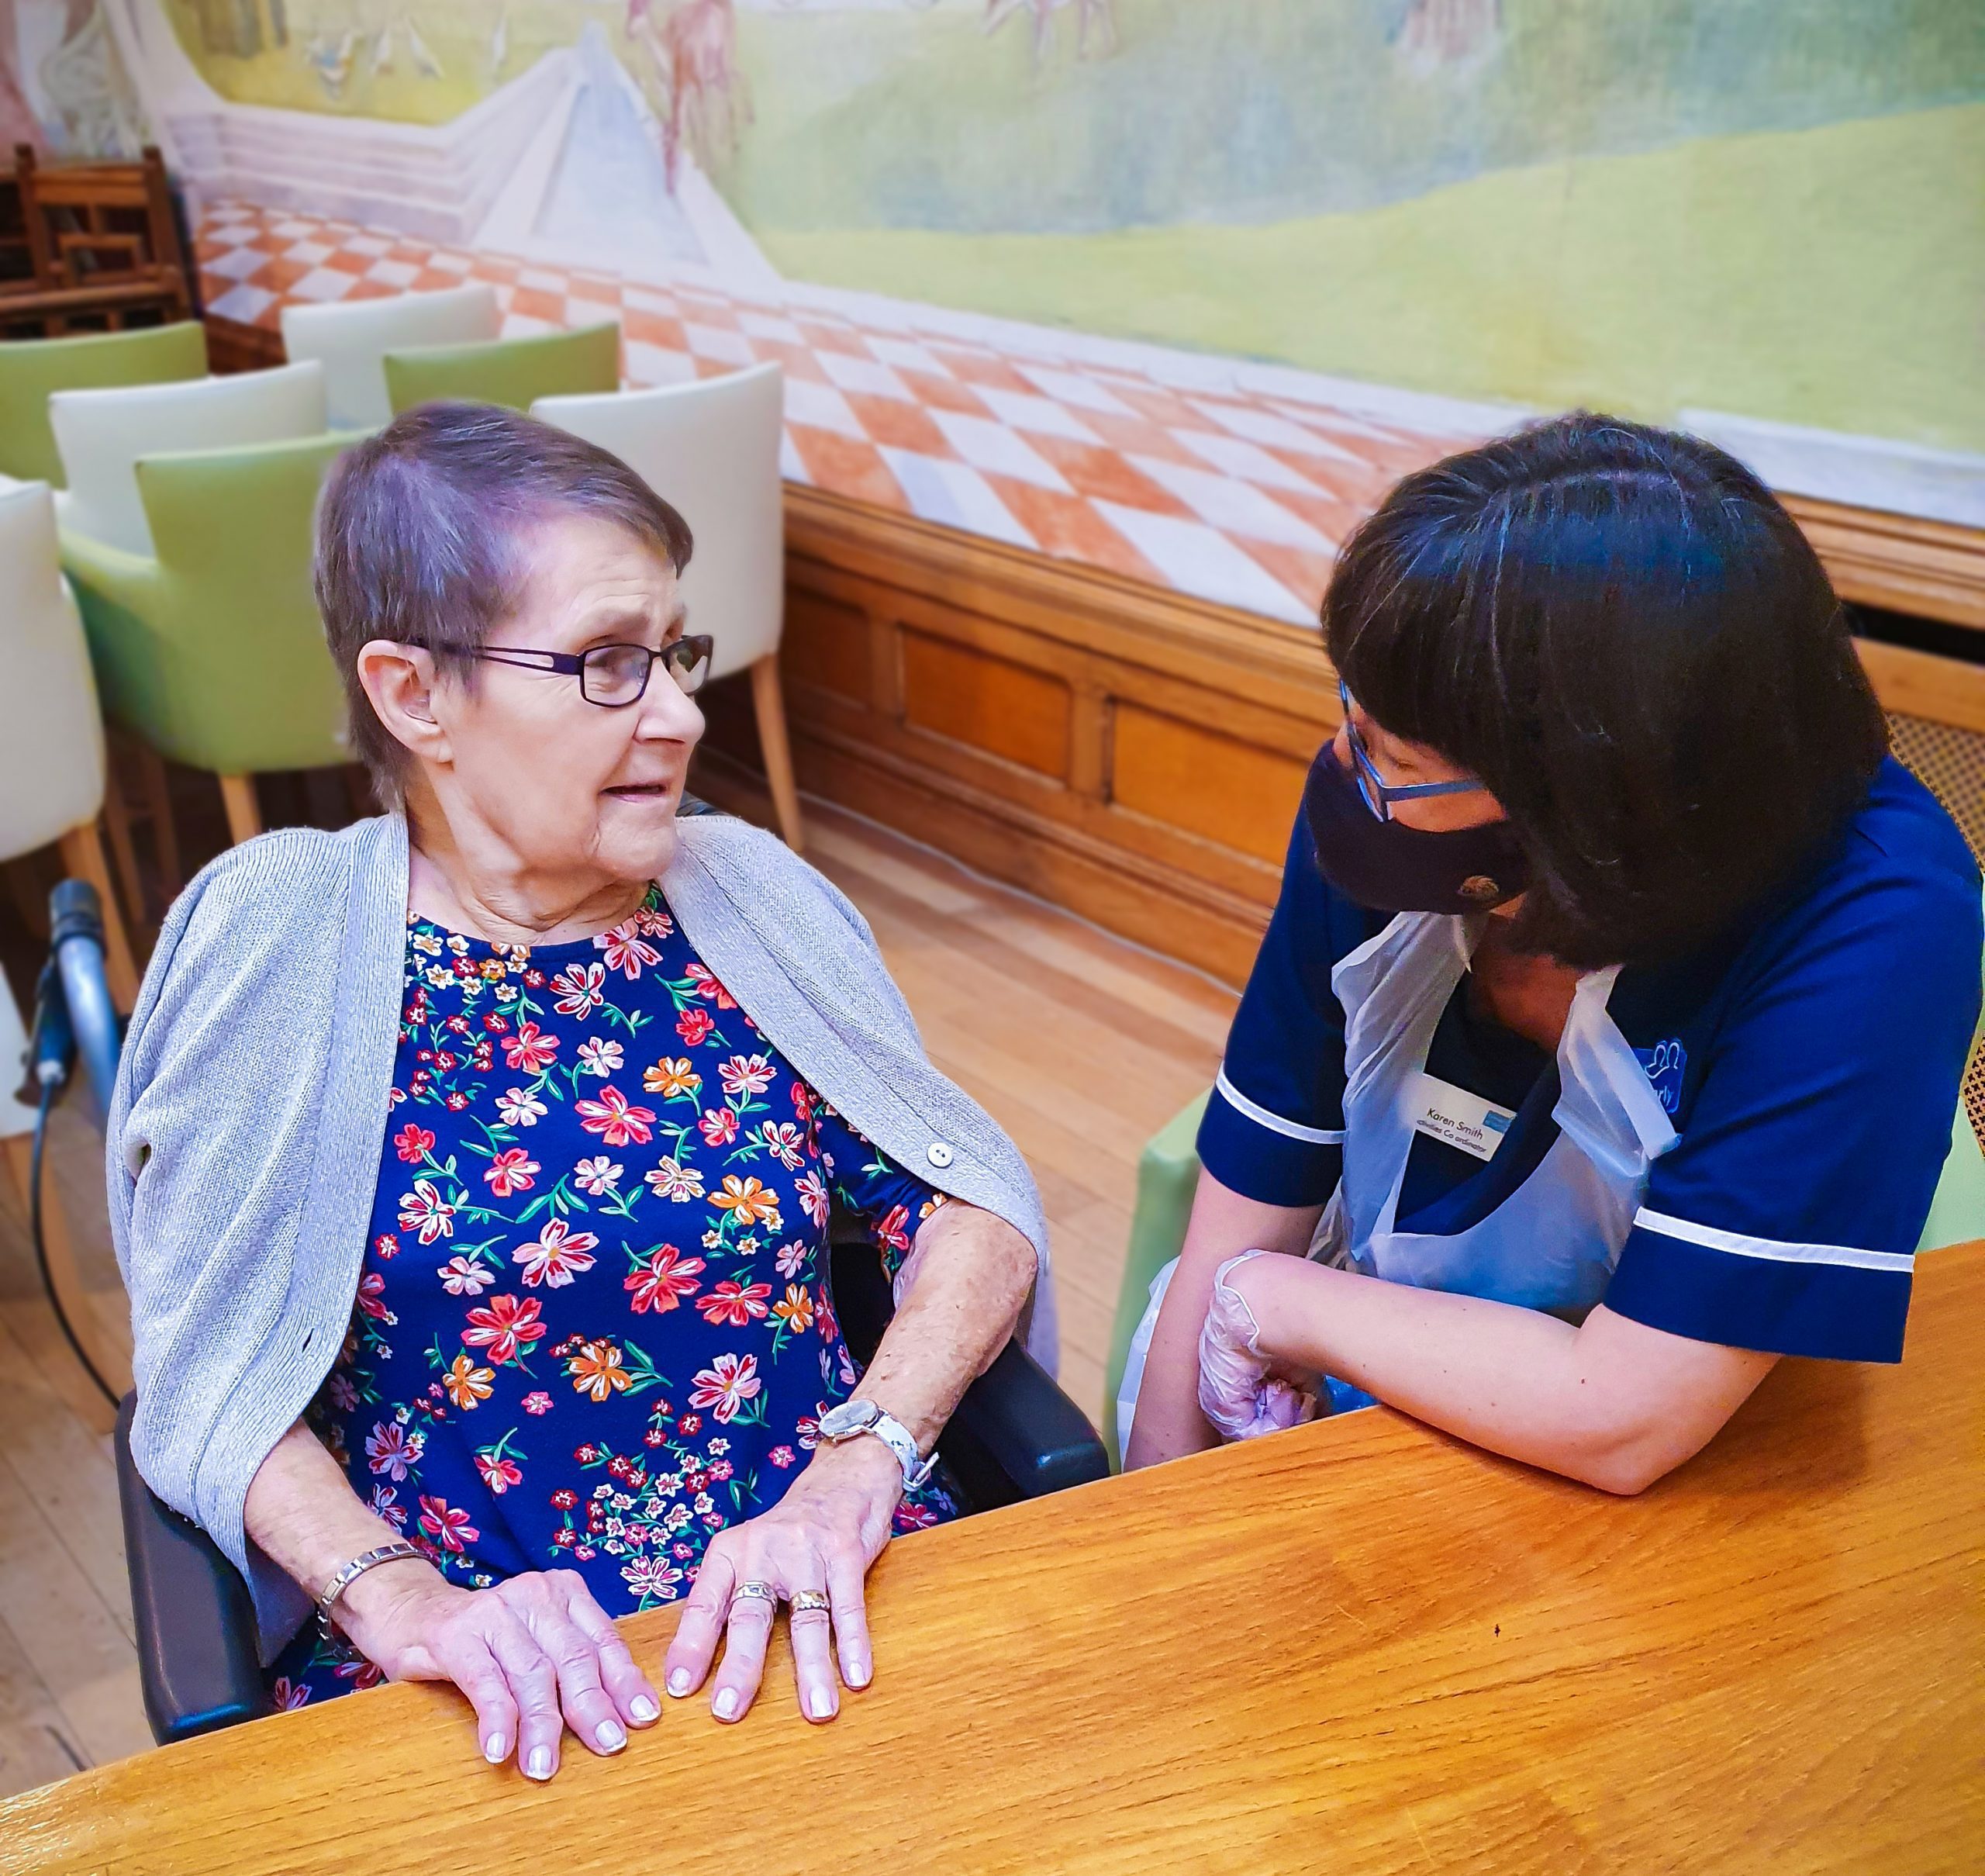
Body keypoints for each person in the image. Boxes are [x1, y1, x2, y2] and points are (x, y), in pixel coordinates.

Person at [109, 402, 1053, 1778]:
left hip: (819, 1589)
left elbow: (969, 1209)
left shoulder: (749, 895)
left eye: (672, 653)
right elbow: (207, 1372)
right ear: (415, 694)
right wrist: (404, 1602)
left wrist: (861, 1463)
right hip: (473, 1668)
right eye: (607, 664)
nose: (680, 712)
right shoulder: (280, 935)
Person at [1121, 413, 1980, 1488]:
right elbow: (1256, 1176)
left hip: (1678, 1433)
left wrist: (1280, 1303)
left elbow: (1627, 1417)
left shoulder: (1875, 922)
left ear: (1577, 806)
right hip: (1360, 1357)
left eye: (1389, 752)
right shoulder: (1389, 813)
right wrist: (1155, 1481)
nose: (1351, 768)